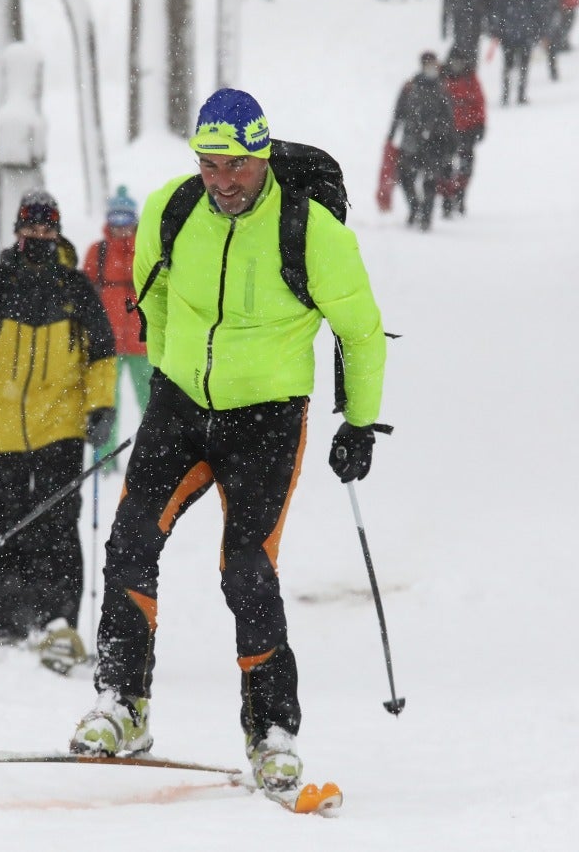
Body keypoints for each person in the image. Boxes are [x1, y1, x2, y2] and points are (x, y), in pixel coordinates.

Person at [71, 88, 388, 798]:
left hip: (267, 418)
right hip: (179, 407)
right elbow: (151, 295)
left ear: (263, 155)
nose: (224, 180)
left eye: (238, 165)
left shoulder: (312, 233)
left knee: (246, 570)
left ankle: (271, 734)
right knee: (128, 542)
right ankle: (123, 704)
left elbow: (361, 331)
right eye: (211, 164)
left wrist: (359, 423)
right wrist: (174, 370)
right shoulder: (171, 209)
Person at [0, 190, 117, 672]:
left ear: (57, 230)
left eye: (47, 227)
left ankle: (59, 619)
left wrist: (101, 407)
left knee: (59, 523)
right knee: (5, 521)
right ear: (17, 229)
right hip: (1, 430)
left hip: (61, 423)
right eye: (31, 226)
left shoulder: (76, 288)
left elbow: (102, 356)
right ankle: (8, 622)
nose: (38, 235)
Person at [82, 186, 152, 472]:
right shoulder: (97, 253)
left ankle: (154, 459)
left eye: (126, 220)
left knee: (151, 405)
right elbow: (85, 296)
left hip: (144, 343)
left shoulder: (147, 250)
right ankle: (104, 461)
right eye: (116, 220)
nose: (121, 227)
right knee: (106, 405)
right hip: (106, 344)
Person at [385, 51, 458, 230]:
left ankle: (426, 216)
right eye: (427, 64)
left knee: (430, 180)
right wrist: (391, 136)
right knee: (405, 175)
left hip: (435, 142)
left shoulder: (442, 89)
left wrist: (445, 138)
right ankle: (414, 207)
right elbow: (399, 113)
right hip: (411, 140)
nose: (431, 68)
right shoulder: (410, 87)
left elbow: (449, 119)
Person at [487, 0, 559, 106]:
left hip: (507, 36)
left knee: (508, 65)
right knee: (523, 66)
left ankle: (506, 94)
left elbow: (496, 13)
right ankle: (521, 94)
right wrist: (542, 34)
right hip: (526, 36)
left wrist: (496, 31)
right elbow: (539, 15)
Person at [439, 51, 486, 217]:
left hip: (467, 130)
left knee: (466, 167)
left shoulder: (470, 79)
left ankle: (459, 195)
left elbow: (479, 103)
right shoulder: (442, 78)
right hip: (445, 132)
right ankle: (446, 198)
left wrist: (479, 124)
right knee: (445, 167)